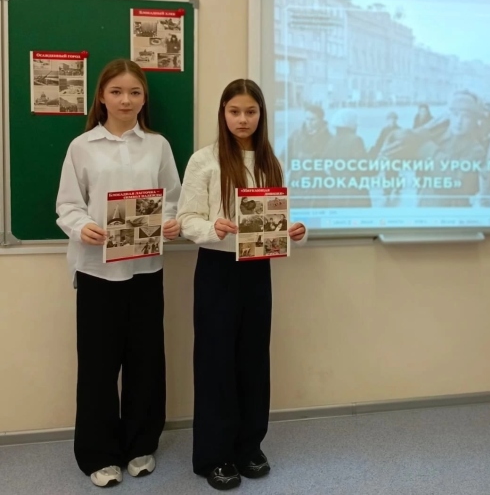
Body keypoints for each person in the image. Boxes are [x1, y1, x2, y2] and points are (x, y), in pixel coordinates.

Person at [55, 59, 182, 488]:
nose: (125, 100)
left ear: (144, 99)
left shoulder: (158, 146)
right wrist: (81, 227)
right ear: (102, 97)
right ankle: (99, 453)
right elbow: (67, 205)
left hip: (146, 268)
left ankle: (140, 445)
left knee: (146, 361)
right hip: (97, 271)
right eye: (117, 92)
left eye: (134, 92)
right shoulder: (82, 146)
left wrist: (170, 221)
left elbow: (172, 198)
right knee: (98, 365)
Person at [176, 79, 308, 491]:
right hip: (217, 268)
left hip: (257, 268)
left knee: (253, 360)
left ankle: (249, 446)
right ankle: (214, 456)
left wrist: (294, 230)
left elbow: (272, 219)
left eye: (250, 112)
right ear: (223, 113)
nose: (242, 119)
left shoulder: (270, 161)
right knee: (216, 361)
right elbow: (186, 219)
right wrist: (212, 228)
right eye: (234, 111)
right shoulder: (204, 160)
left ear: (261, 115)